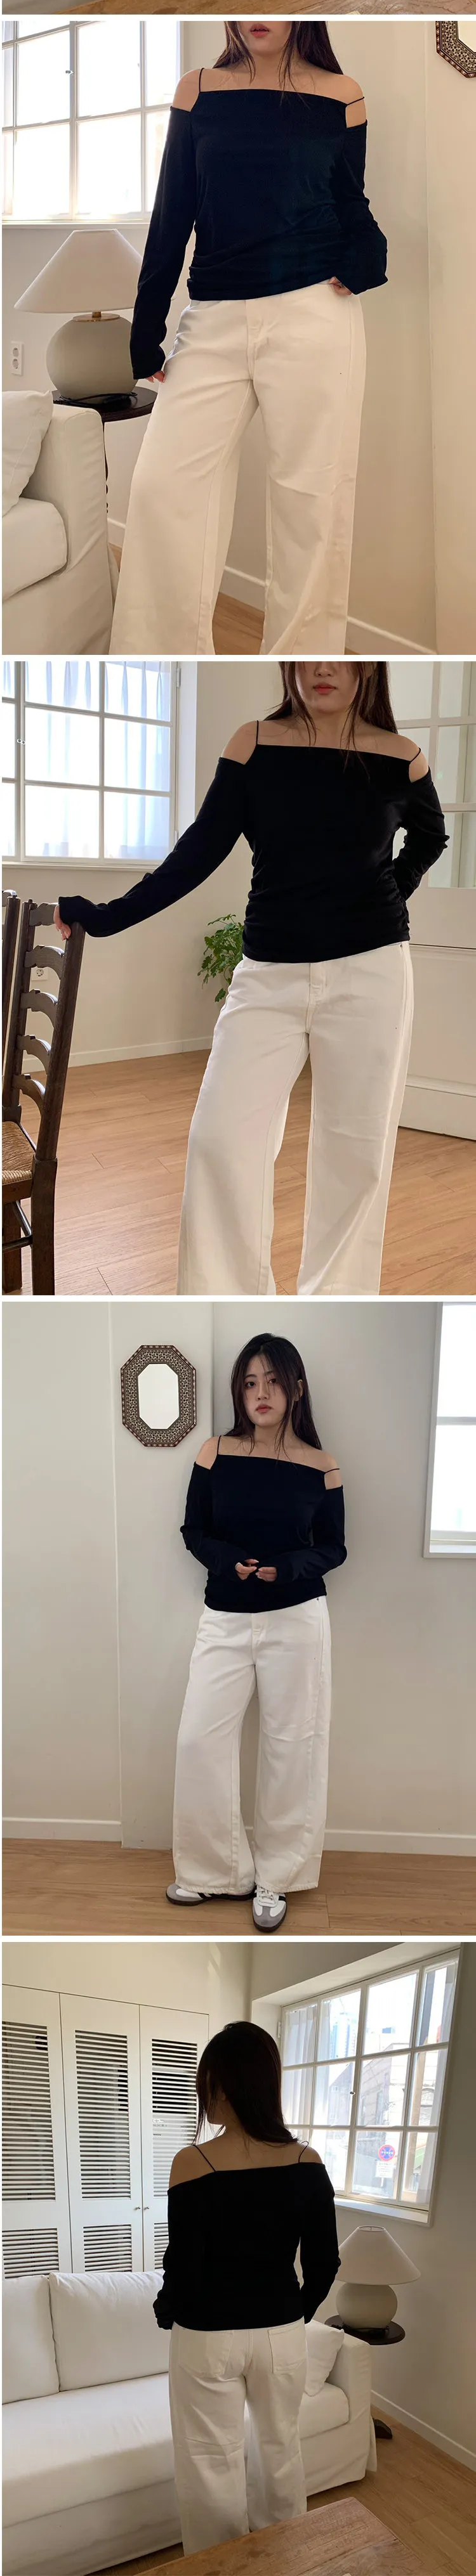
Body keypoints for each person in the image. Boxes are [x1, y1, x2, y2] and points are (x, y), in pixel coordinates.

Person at [55, 659, 447, 1298]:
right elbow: (196, 853)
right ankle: (230, 1307)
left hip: (373, 973)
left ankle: (334, 1305)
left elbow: (431, 838)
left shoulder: (400, 757)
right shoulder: (255, 744)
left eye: (340, 655)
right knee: (220, 1141)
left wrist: (387, 895)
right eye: (307, 654)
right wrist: (106, 917)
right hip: (268, 976)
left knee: (356, 1154)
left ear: (368, 666)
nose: (322, 667)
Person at [110, 18, 387, 658]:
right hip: (214, 315)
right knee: (163, 491)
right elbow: (172, 213)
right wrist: (146, 329)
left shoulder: (342, 94)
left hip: (315, 311)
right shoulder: (199, 91)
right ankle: (164, 658)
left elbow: (350, 199)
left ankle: (297, 662)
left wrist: (367, 256)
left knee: (312, 502)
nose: (259, 13)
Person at [166, 1331, 345, 1927]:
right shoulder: (214, 1453)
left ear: (297, 1388)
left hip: (298, 1618)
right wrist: (230, 1563)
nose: (260, 1392)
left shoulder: (322, 1466)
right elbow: (194, 1531)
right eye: (249, 1382)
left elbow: (334, 1548)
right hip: (224, 1615)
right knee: (199, 1739)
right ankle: (213, 1872)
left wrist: (286, 1569)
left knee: (294, 1744)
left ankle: (277, 1877)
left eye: (272, 1380)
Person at [155, 2016, 340, 2553]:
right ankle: (282, 2560)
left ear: (227, 2084)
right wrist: (292, 2312)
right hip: (281, 2333)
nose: (204, 2095)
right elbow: (324, 2264)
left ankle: (219, 2566)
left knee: (209, 2460)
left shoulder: (192, 2163)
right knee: (281, 2450)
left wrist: (167, 2309)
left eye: (207, 2082)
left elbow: (184, 2266)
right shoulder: (308, 2162)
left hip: (207, 2336)